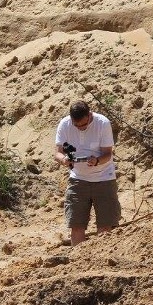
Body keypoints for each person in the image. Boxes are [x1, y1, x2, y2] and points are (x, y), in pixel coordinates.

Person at [54, 101, 120, 245]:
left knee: (105, 226)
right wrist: (64, 160)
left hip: (104, 179)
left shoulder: (102, 123)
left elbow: (108, 154)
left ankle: (104, 259)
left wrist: (96, 161)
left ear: (89, 115)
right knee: (76, 225)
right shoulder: (65, 124)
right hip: (78, 179)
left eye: (84, 125)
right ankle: (77, 262)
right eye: (76, 126)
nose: (80, 128)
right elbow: (57, 153)